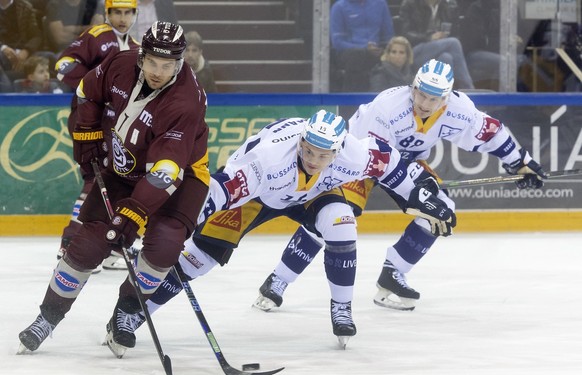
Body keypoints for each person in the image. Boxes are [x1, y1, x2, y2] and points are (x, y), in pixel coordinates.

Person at [110, 109, 456, 350]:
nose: (313, 159)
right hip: (258, 197)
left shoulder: (353, 152)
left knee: (342, 225)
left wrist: (427, 195)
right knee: (199, 259)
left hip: (313, 194)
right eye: (309, 150)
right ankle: (133, 313)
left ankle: (342, 310)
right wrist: (181, 224)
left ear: (338, 150)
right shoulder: (266, 162)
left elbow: (395, 166)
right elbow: (218, 191)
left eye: (324, 155)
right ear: (301, 140)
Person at [251, 59, 548, 313]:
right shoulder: (388, 106)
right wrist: (414, 185)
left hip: (406, 161)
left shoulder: (459, 109)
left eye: (433, 98)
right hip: (355, 159)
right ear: (414, 86)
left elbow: (490, 132)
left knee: (441, 209)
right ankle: (278, 280)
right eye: (421, 94)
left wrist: (521, 161)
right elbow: (377, 159)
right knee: (333, 218)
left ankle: (393, 275)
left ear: (446, 98)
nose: (424, 103)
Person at [17, 21, 211, 357]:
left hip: (181, 177)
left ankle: (126, 313)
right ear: (142, 55)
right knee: (89, 243)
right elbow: (86, 93)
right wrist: (87, 131)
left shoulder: (186, 101)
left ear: (179, 63)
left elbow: (166, 171)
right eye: (152, 61)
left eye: (167, 66)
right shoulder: (121, 63)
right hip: (125, 167)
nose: (157, 71)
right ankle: (47, 317)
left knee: (164, 245)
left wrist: (132, 213)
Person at [54, 0, 140, 271]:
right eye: (117, 12)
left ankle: (112, 244)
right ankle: (71, 241)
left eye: (128, 12)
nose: (122, 18)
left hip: (116, 126)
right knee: (97, 177)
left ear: (135, 15)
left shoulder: (137, 47)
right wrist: (95, 86)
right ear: (107, 13)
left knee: (117, 179)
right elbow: (64, 66)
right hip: (88, 120)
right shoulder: (96, 36)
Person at [399, 0, 475, 90]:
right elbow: (405, 33)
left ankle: (444, 94)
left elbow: (455, 32)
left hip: (441, 48)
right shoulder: (410, 4)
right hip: (415, 51)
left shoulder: (447, 5)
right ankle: (469, 89)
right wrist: (429, 37)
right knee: (454, 43)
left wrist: (443, 37)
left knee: (446, 58)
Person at [330, 0, 394, 92]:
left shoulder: (381, 3)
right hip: (349, 53)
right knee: (357, 56)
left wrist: (382, 48)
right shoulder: (339, 7)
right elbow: (337, 42)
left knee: (395, 52)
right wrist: (365, 49)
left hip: (376, 51)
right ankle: (352, 101)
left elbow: (388, 35)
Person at [0, 0, 43, 78]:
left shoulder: (25, 7)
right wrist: (3, 48)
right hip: (2, 51)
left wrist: (26, 51)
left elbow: (36, 36)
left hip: (23, 51)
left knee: (49, 56)